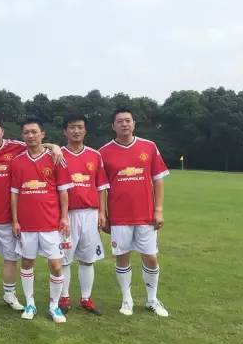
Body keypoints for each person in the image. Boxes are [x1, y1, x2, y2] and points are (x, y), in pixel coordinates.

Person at [0, 116, 65, 311]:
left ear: (2, 131)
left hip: (9, 218)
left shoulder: (16, 147)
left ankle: (9, 294)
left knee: (11, 258)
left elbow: (36, 143)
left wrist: (54, 146)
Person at [99, 108, 170, 317]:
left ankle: (152, 299)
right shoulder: (103, 152)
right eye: (120, 121)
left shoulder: (149, 146)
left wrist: (159, 210)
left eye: (128, 120)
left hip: (146, 215)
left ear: (134, 123)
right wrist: (103, 213)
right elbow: (101, 187)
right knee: (122, 257)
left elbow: (158, 179)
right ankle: (126, 299)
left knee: (151, 257)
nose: (124, 124)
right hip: (119, 216)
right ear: (113, 126)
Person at [10, 118, 73, 323]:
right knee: (27, 262)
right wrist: (15, 220)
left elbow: (63, 191)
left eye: (34, 132)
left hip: (51, 223)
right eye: (26, 132)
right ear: (22, 136)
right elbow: (15, 193)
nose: (30, 136)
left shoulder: (56, 158)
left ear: (42, 134)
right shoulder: (17, 161)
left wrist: (64, 217)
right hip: (27, 224)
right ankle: (30, 303)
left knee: (56, 265)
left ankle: (54, 306)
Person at [59, 114, 110, 315]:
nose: (76, 131)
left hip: (90, 214)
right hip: (66, 215)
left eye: (80, 127)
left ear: (85, 130)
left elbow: (101, 186)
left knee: (88, 258)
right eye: (72, 127)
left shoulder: (95, 155)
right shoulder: (57, 154)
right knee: (64, 258)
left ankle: (86, 298)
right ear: (65, 131)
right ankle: (64, 298)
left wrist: (102, 212)